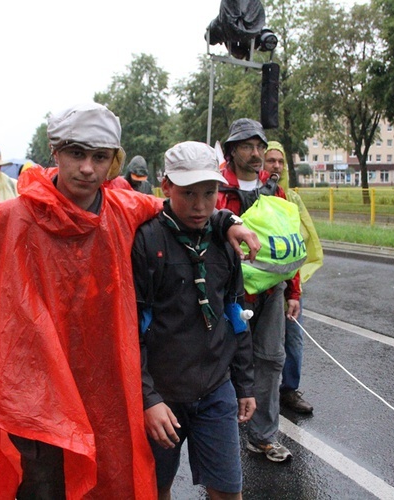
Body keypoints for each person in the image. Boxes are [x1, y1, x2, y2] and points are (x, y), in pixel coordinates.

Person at [0, 102, 260, 499]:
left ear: (113, 161)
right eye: (77, 153)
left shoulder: (125, 210)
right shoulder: (11, 219)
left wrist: (227, 221)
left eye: (100, 157)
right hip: (33, 389)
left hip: (101, 385)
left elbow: (181, 209)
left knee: (106, 480)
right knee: (42, 485)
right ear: (55, 152)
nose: (88, 168)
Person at [134, 141, 255, 500]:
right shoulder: (146, 240)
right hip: (163, 396)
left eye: (210, 192)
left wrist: (244, 383)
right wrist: (147, 398)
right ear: (166, 186)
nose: (200, 205)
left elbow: (236, 313)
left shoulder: (223, 239)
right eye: (188, 193)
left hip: (216, 390)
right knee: (156, 488)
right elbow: (132, 328)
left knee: (228, 490)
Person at [216, 118, 302, 463]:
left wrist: (292, 290)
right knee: (221, 365)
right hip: (228, 296)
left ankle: (263, 437)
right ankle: (219, 436)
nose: (256, 153)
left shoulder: (274, 189)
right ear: (232, 150)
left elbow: (288, 242)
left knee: (271, 361)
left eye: (259, 147)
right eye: (248, 146)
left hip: (270, 294)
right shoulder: (217, 187)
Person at [264, 141, 324, 415]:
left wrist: (295, 292)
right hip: (259, 286)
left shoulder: (291, 199)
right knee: (259, 345)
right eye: (270, 160)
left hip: (288, 283)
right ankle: (252, 395)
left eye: (280, 161)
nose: (276, 166)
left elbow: (298, 245)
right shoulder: (254, 196)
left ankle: (289, 390)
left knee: (293, 339)